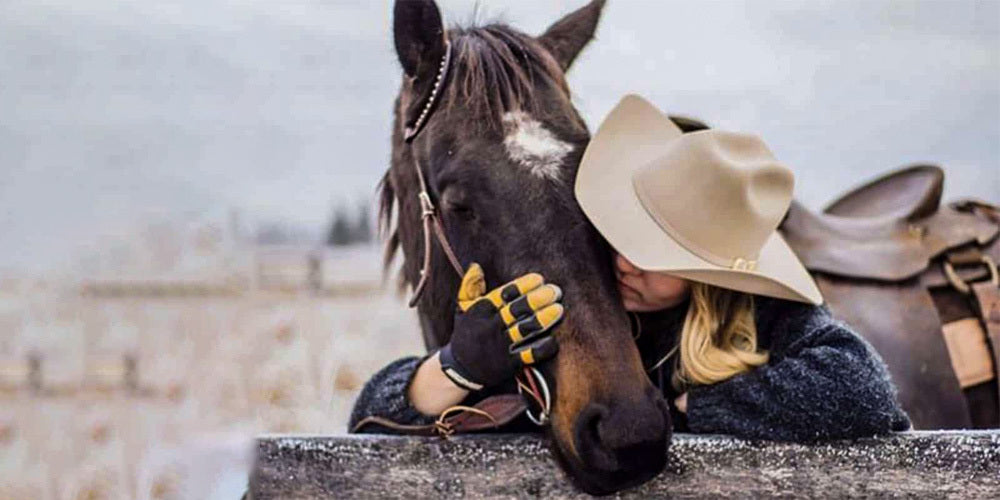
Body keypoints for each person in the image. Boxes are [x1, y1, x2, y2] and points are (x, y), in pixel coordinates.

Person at [350, 95, 910, 441]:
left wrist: (687, 401)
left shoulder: (766, 319)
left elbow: (863, 391)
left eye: (654, 254)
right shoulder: (597, 305)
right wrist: (457, 367)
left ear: (706, 276)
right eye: (624, 235)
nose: (622, 263)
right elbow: (370, 411)